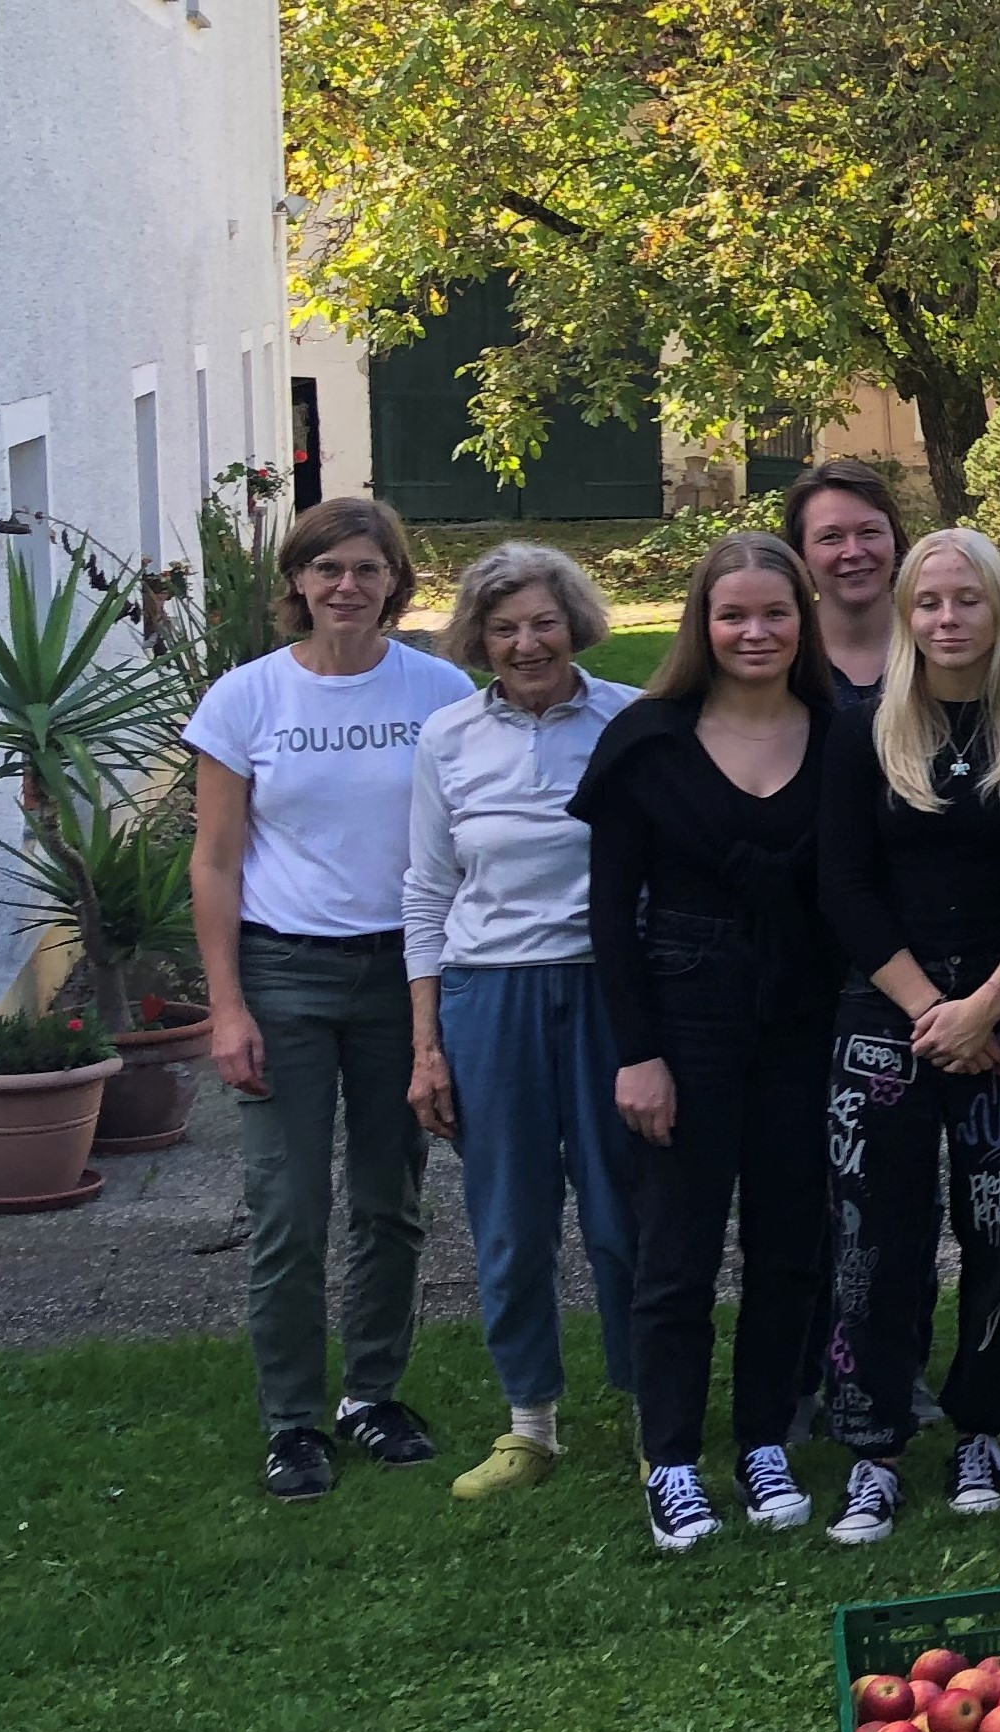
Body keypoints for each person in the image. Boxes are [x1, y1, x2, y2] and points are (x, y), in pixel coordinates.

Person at [186, 496, 465, 1503]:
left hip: (405, 974)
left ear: (396, 580)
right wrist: (227, 1006)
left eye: (367, 568)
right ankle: (294, 1419)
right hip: (284, 974)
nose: (346, 586)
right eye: (326, 569)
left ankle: (375, 1394)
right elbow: (214, 861)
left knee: (392, 1200)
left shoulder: (438, 689)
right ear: (297, 583)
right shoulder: (245, 699)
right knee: (288, 1209)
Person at [571, 533, 841, 1551]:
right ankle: (673, 1456)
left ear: (801, 621)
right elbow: (607, 913)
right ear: (703, 624)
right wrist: (635, 1052)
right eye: (734, 614)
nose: (755, 631)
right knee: (676, 1249)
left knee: (788, 1241)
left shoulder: (840, 736)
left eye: (775, 613)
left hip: (802, 1018)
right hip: (682, 1017)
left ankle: (764, 1435)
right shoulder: (645, 741)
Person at [809, 529, 1000, 1543]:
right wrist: (929, 1010)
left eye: (968, 600)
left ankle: (981, 1427)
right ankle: (872, 1443)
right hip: (885, 1024)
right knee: (874, 1236)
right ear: (906, 615)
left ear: (999, 613)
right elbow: (844, 886)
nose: (947, 619)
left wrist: (985, 1006)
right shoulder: (861, 727)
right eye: (929, 602)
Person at [400, 542, 641, 1499]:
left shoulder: (629, 722)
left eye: (543, 622)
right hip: (487, 997)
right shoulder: (448, 738)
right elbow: (425, 891)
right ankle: (529, 1425)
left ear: (574, 621)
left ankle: (645, 1419)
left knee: (625, 1217)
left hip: (604, 990)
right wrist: (426, 1046)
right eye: (504, 628)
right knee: (509, 1222)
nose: (526, 643)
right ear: (479, 637)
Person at [783, 458, 905, 709]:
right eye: (831, 537)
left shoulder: (935, 645)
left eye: (869, 532)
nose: (854, 552)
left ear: (895, 540)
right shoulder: (782, 657)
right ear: (800, 553)